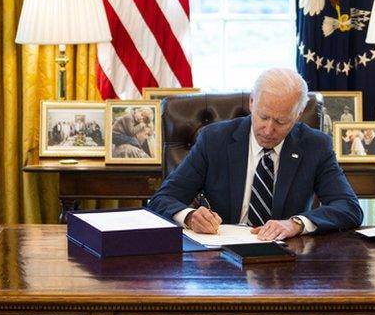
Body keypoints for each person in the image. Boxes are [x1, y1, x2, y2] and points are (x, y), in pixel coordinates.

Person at [147, 68, 363, 240]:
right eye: (263, 116)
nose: (268, 130)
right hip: (222, 257)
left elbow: (349, 208)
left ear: (298, 115)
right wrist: (190, 216)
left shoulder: (315, 146)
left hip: (288, 258)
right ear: (252, 102)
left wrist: (296, 224)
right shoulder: (214, 140)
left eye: (281, 121)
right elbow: (162, 199)